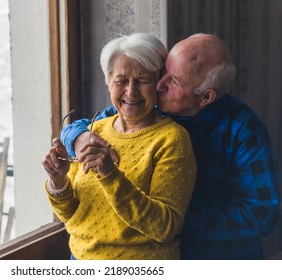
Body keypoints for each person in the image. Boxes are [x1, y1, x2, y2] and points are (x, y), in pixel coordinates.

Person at [61, 33, 280, 259]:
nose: (159, 84)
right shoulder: (151, 107)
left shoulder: (242, 129)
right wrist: (78, 138)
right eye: (164, 71)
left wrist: (176, 216)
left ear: (205, 97)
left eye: (173, 81)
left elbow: (261, 215)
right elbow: (85, 127)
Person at [42, 33, 197, 260]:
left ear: (158, 84)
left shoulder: (172, 139)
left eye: (142, 80)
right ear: (108, 82)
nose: (131, 91)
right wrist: (58, 181)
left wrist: (110, 174)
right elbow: (72, 215)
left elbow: (164, 227)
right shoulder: (93, 132)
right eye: (121, 80)